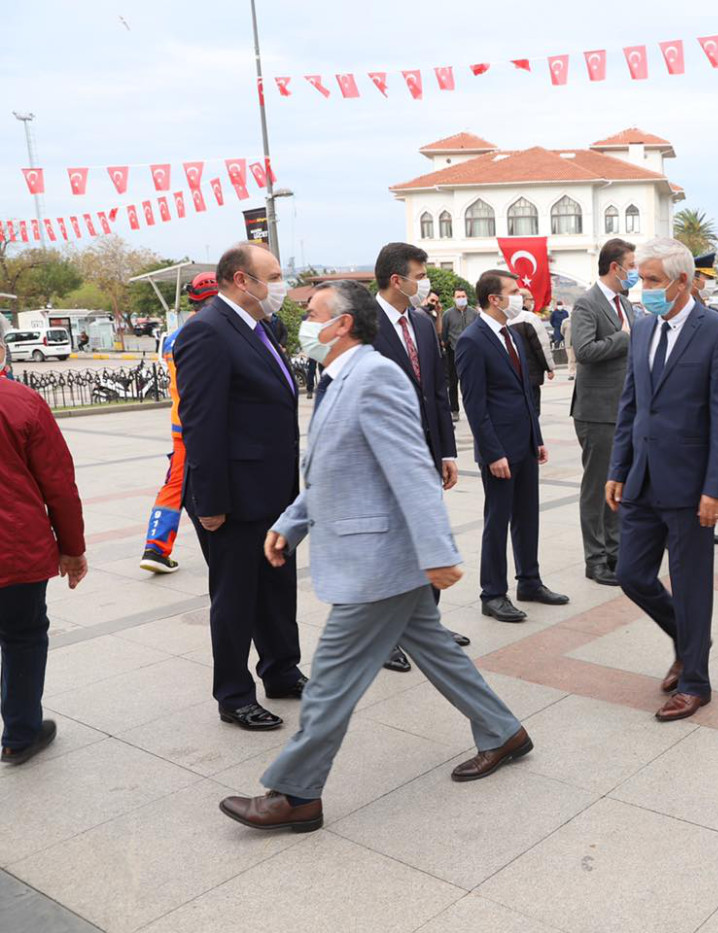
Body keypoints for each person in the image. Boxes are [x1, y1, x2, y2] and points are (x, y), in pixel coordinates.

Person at [218, 281, 530, 833]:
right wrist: (291, 523)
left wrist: (438, 551)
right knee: (438, 651)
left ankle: (296, 793)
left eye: (313, 312)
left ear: (341, 325)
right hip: (383, 555)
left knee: (330, 682)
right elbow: (336, 470)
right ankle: (504, 731)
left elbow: (411, 468)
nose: (303, 321)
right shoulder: (338, 377)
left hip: (378, 561)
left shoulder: (375, 376)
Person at [605, 238, 718, 722]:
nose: (643, 288)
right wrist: (618, 468)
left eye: (653, 280)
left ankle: (695, 681)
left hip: (690, 484)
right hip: (642, 477)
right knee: (631, 575)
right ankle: (690, 641)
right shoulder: (643, 328)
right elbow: (631, 404)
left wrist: (716, 489)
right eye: (640, 278)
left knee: (691, 586)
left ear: (682, 282)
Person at [174, 243, 307, 730]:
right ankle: (233, 695)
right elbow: (202, 424)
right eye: (273, 276)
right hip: (232, 496)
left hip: (272, 489)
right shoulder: (207, 332)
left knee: (277, 586)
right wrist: (210, 502)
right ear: (240, 280)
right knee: (235, 598)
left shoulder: (260, 326)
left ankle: (281, 670)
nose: (280, 285)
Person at [458, 269, 569, 622]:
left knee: (527, 515)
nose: (520, 297)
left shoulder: (513, 333)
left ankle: (529, 581)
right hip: (499, 450)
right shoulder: (472, 340)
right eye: (514, 291)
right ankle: (492, 593)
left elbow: (525, 393)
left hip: (524, 442)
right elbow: (475, 405)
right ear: (494, 298)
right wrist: (493, 453)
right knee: (498, 520)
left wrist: (537, 438)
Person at [373, 243, 463, 672]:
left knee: (428, 540)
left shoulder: (424, 324)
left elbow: (438, 392)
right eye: (420, 275)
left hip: (426, 455)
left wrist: (446, 451)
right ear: (397, 280)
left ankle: (426, 627)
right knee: (389, 550)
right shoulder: (364, 325)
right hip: (384, 461)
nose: (424, 283)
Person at [0, 340, 87, 765]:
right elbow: (58, 483)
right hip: (14, 549)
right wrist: (72, 549)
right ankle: (20, 735)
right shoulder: (21, 402)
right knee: (22, 637)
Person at [139, 271, 217, 575]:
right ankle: (156, 547)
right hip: (198, 425)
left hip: (180, 423)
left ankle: (156, 547)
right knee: (177, 485)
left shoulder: (175, 336)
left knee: (176, 482)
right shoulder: (209, 332)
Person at [570, 238, 636, 587]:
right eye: (632, 266)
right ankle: (594, 559)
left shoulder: (624, 302)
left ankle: (615, 552)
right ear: (615, 267)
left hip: (623, 409)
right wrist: (623, 338)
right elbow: (583, 351)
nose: (635, 272)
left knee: (618, 483)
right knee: (597, 487)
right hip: (597, 411)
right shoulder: (587, 303)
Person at [690, 251, 718, 547]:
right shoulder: (689, 307)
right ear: (693, 278)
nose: (708, 283)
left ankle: (702, 521)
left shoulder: (702, 305)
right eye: (705, 278)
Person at [512, 289, 555, 418]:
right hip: (530, 373)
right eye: (531, 299)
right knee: (533, 411)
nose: (532, 302)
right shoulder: (529, 318)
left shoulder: (505, 318)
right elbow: (542, 346)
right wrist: (549, 367)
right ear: (523, 300)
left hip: (512, 374)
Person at [441, 286, 477, 421]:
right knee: (453, 383)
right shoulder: (447, 315)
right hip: (453, 351)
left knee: (471, 382)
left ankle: (473, 408)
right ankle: (454, 410)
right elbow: (444, 333)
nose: (461, 299)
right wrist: (447, 344)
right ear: (453, 298)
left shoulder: (474, 314)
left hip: (471, 352)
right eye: (458, 297)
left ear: (467, 297)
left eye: (463, 296)